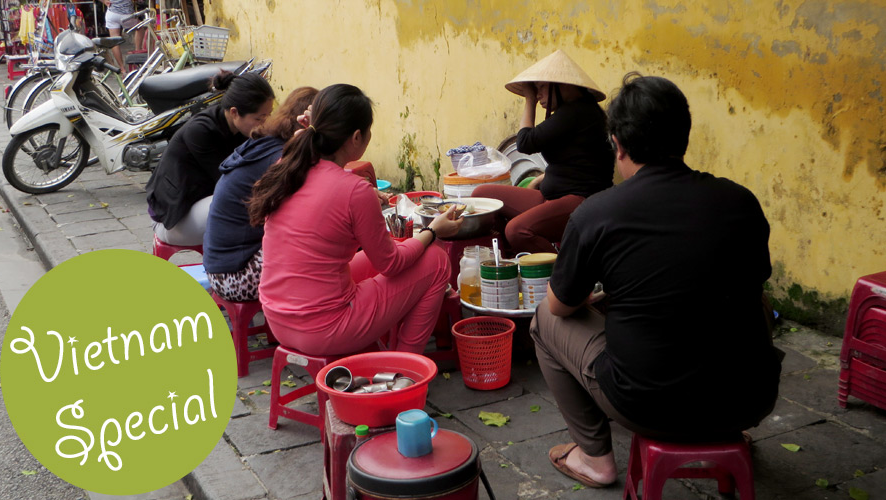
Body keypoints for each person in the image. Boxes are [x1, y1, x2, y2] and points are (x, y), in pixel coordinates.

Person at [531, 73, 782, 488]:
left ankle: (594, 457)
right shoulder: (741, 201)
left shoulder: (598, 212)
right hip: (749, 399)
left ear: (617, 143)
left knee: (544, 319)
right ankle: (720, 427)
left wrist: (604, 296)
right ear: (683, 135)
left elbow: (560, 306)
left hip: (647, 404)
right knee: (751, 295)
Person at [248, 84, 464, 355]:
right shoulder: (354, 191)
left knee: (374, 260)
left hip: (279, 321)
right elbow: (392, 264)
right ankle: (404, 368)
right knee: (435, 260)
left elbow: (305, 142)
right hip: (326, 329)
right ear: (357, 137)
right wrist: (432, 231)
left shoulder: (288, 166)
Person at [472, 49, 614, 254]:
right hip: (552, 197)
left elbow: (525, 142)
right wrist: (540, 180)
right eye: (535, 90)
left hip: (580, 202)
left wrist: (528, 100)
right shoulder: (574, 112)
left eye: (541, 88)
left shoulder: (577, 112)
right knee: (482, 196)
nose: (538, 95)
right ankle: (515, 260)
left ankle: (563, 274)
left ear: (562, 85)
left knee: (517, 230)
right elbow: (575, 160)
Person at [203, 87, 319, 302]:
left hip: (219, 269)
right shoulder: (280, 157)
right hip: (236, 276)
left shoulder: (266, 143)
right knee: (318, 247)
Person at [146, 71, 275, 246]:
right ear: (235, 112)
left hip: (200, 204)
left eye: (268, 115)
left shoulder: (240, 129)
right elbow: (231, 184)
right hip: (172, 219)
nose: (264, 123)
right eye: (259, 118)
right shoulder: (201, 131)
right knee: (247, 206)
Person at [101, 0, 144, 72]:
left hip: (112, 14)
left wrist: (104, 1)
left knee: (114, 41)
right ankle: (137, 52)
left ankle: (122, 68)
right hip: (127, 15)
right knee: (140, 27)